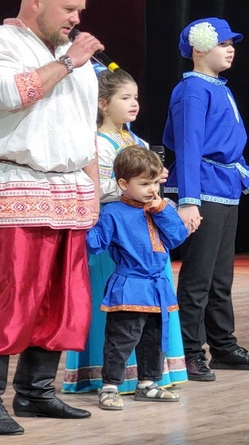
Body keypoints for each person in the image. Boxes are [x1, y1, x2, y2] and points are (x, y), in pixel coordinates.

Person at [0, 0, 106, 436]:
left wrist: (93, 189)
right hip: (15, 181)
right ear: (36, 1)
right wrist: (70, 62)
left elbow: (84, 129)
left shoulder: (70, 56)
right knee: (12, 294)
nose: (77, 18)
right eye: (69, 9)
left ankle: (37, 391)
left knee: (63, 299)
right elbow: (11, 93)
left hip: (69, 188)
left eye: (80, 10)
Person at [162, 17, 249, 382]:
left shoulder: (217, 88)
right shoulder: (193, 89)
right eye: (222, 43)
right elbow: (189, 146)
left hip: (224, 190)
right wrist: (188, 200)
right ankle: (189, 351)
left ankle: (223, 346)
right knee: (198, 277)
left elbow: (227, 151)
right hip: (202, 190)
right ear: (199, 49)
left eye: (231, 44)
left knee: (220, 277)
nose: (231, 49)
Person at [63, 69, 188, 393]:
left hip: (146, 229)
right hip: (115, 232)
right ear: (103, 103)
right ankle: (110, 378)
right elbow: (93, 187)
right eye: (125, 97)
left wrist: (150, 186)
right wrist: (135, 186)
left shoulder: (138, 142)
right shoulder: (95, 142)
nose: (134, 103)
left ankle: (149, 376)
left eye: (135, 97)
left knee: (152, 314)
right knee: (120, 316)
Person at [85, 145, 189, 410]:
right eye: (144, 184)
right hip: (129, 286)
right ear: (123, 184)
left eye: (154, 183)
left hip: (158, 287)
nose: (151, 190)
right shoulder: (113, 212)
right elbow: (95, 244)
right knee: (121, 340)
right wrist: (86, 218)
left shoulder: (159, 208)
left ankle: (148, 383)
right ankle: (110, 387)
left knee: (154, 339)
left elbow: (177, 237)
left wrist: (161, 210)